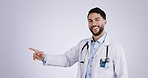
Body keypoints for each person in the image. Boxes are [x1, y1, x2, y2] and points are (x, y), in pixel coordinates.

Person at [29, 7, 128, 78]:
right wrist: (44, 57)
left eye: (97, 20)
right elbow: (66, 59)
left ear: (105, 22)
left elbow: (122, 75)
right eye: (90, 21)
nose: (93, 24)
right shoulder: (83, 45)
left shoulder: (115, 48)